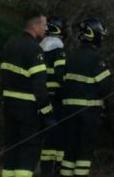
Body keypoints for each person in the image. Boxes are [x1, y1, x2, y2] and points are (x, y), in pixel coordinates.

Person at [1, 9, 54, 177]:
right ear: (36, 26)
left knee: (11, 149)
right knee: (28, 151)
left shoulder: (10, 44)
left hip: (9, 106)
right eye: (45, 25)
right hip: (27, 110)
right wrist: (47, 113)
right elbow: (39, 86)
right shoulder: (34, 50)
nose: (46, 29)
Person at [59, 18, 111, 177]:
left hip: (68, 111)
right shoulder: (96, 59)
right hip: (87, 112)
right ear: (94, 35)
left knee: (70, 150)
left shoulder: (71, 56)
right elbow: (106, 87)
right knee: (84, 151)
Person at [39, 17, 68, 177]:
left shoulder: (39, 49)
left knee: (47, 139)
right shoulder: (59, 51)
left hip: (41, 98)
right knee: (59, 136)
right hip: (57, 99)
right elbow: (60, 75)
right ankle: (58, 170)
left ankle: (45, 170)